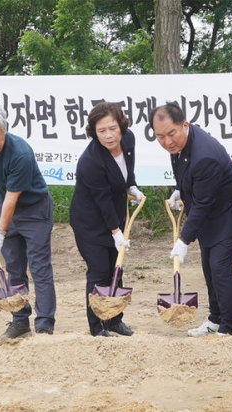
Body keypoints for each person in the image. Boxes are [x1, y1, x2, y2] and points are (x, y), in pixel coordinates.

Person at [149, 103, 232, 337]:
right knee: (208, 267)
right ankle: (215, 319)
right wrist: (179, 190)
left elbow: (203, 204)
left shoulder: (205, 155)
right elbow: (187, 176)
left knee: (220, 267)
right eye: (160, 136)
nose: (167, 141)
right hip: (209, 214)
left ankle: (228, 326)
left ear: (184, 125)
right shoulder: (180, 146)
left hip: (230, 212)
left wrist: (183, 241)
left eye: (171, 133)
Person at [0, 99, 57, 339]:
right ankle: (19, 321)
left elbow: (12, 199)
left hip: (34, 210)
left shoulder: (20, 153)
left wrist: (0, 232)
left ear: (4, 129)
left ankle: (45, 324)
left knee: (39, 267)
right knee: (14, 269)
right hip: (3, 207)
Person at [69, 102, 144, 338]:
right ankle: (97, 326)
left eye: (112, 128)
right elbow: (101, 200)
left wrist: (131, 184)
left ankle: (114, 320)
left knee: (116, 270)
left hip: (114, 214)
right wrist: (116, 233)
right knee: (100, 270)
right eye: (101, 131)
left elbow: (127, 166)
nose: (109, 135)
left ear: (121, 126)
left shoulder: (128, 139)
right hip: (89, 222)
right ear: (94, 132)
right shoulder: (91, 161)